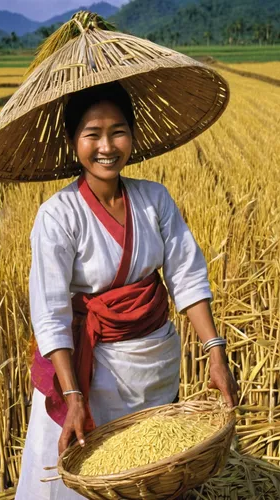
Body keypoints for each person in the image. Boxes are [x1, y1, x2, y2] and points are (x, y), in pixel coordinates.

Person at [15, 82, 238, 500]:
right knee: (89, 479)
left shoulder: (154, 199)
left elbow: (187, 276)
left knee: (156, 473)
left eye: (117, 131)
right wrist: (73, 395)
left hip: (155, 367)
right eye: (92, 134)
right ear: (72, 142)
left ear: (133, 135)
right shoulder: (58, 215)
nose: (106, 146)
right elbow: (51, 313)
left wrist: (215, 352)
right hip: (90, 375)